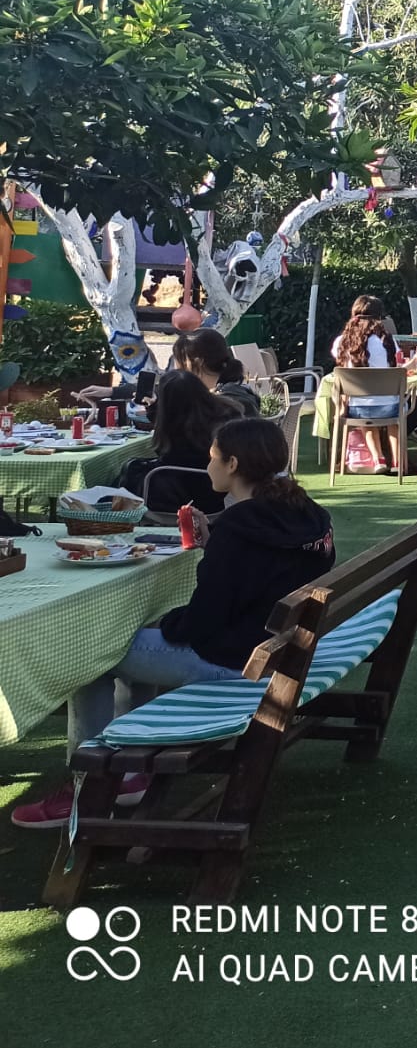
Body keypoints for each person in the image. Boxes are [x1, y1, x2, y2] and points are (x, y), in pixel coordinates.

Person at [12, 417, 334, 829]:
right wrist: (213, 547)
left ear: (233, 464)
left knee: (90, 653)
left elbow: (202, 623)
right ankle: (129, 771)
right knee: (135, 641)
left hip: (239, 662)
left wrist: (169, 622)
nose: (208, 464)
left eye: (213, 457)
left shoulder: (239, 528)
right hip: (278, 651)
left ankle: (88, 783)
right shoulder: (309, 514)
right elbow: (260, 575)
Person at [118, 368, 236, 512]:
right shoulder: (224, 413)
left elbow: (166, 454)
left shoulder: (178, 427)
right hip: (214, 491)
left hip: (180, 496)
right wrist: (155, 408)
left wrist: (157, 411)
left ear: (167, 403)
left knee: (130, 471)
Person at [329, 296, 404, 473]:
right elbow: (399, 364)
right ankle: (398, 462)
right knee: (394, 416)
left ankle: (378, 459)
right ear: (380, 316)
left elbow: (339, 362)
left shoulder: (342, 341)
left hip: (358, 408)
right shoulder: (387, 340)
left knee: (366, 414)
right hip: (389, 407)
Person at [170, 328, 262, 418]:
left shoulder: (223, 405)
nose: (178, 374)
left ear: (198, 363)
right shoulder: (238, 392)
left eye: (181, 369)